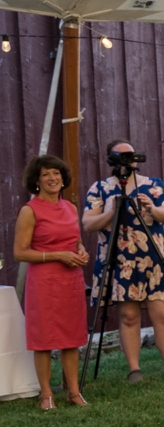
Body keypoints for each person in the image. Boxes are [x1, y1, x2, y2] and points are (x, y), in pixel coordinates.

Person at [81, 139, 164, 384]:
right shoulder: (100, 188)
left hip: (153, 258)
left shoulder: (154, 185)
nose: (128, 160)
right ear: (111, 159)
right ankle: (134, 370)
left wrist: (150, 208)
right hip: (119, 260)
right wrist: (112, 211)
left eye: (131, 155)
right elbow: (87, 223)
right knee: (128, 315)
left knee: (163, 313)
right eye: (122, 155)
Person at [14, 155, 88, 409]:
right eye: (46, 174)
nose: (52, 178)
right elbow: (20, 252)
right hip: (44, 281)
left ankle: (74, 392)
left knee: (71, 336)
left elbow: (74, 239)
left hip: (71, 279)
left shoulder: (70, 208)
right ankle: (46, 394)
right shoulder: (29, 210)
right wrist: (57, 255)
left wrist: (81, 249)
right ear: (36, 180)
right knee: (43, 338)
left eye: (56, 173)